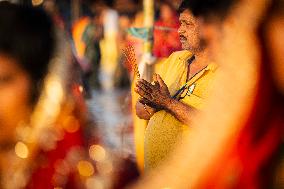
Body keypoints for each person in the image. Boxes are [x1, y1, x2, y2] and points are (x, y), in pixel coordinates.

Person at [134, 0, 218, 170]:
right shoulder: (175, 59)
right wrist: (153, 103)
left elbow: (214, 127)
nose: (180, 30)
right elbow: (139, 110)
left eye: (187, 24)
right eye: (180, 23)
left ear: (209, 27)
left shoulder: (224, 71)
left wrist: (168, 103)